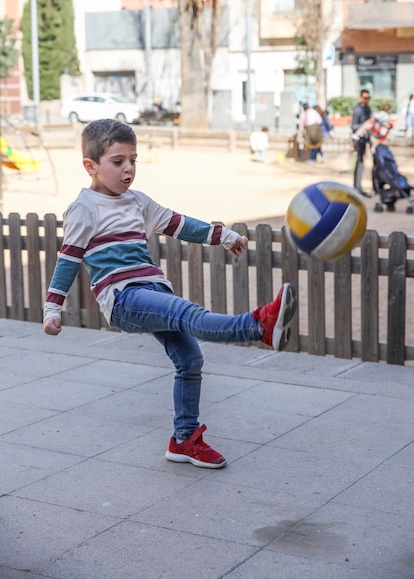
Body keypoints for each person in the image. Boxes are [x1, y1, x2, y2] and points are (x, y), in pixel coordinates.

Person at [43, 118, 297, 470]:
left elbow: (180, 225)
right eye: (118, 162)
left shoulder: (138, 202)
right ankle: (259, 325)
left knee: (190, 360)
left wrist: (223, 236)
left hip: (152, 288)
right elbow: (68, 259)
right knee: (190, 314)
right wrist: (52, 308)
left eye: (133, 159)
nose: (128, 168)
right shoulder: (84, 209)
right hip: (123, 298)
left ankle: (183, 440)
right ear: (91, 166)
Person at [351, 89, 372, 197]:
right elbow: (353, 126)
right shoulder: (358, 109)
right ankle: (357, 186)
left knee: (363, 162)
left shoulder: (368, 109)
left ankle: (359, 186)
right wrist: (364, 125)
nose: (366, 100)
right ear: (360, 97)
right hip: (358, 139)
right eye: (365, 97)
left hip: (365, 139)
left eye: (368, 97)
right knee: (359, 162)